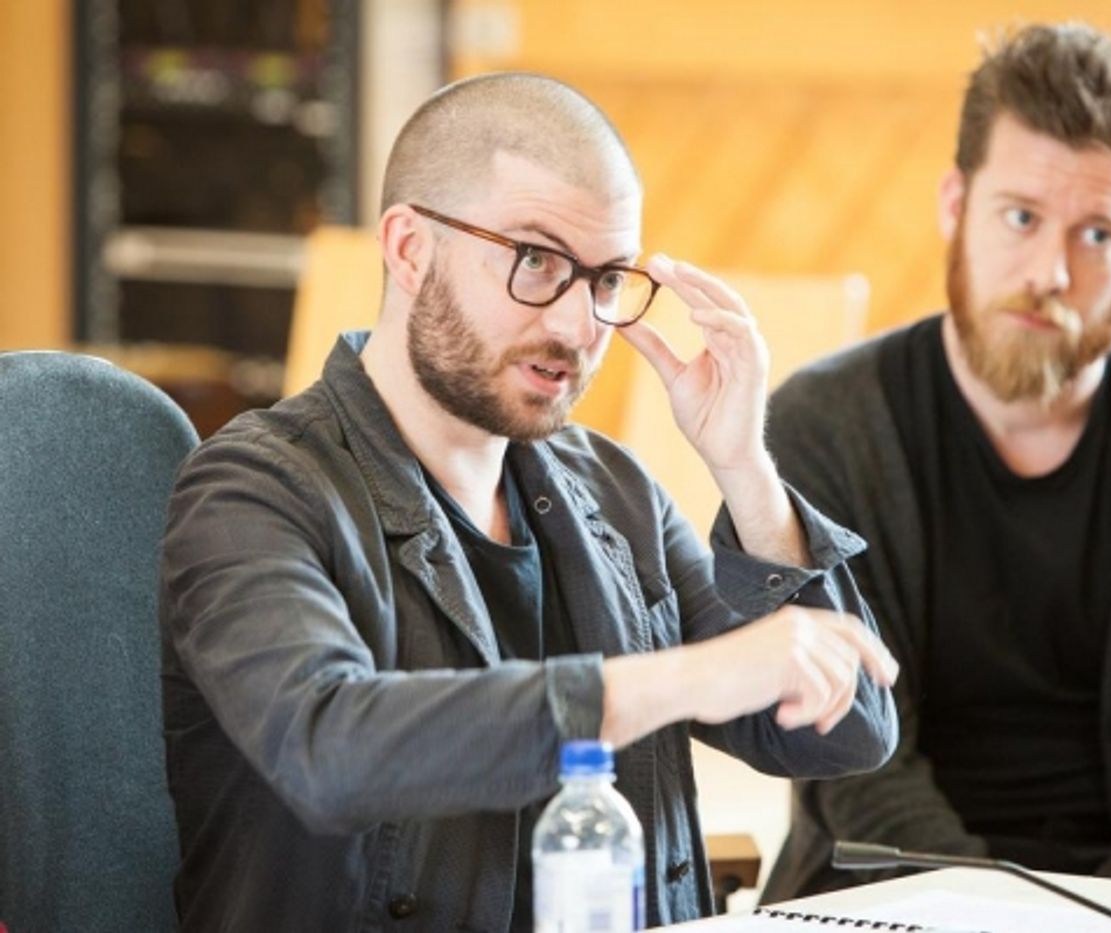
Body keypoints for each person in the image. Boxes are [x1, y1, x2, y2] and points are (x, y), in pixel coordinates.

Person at [159, 72, 898, 932]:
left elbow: (846, 732)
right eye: (537, 261)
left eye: (606, 279)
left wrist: (744, 467)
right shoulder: (251, 489)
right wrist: (687, 676)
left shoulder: (614, 492)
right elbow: (331, 750)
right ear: (409, 249)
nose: (580, 327)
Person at [762, 22, 1111, 900]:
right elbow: (855, 760)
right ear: (955, 205)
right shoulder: (823, 426)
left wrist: (1097, 922)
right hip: (881, 891)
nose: (1049, 270)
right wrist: (1007, 918)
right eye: (1021, 217)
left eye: (1098, 235)